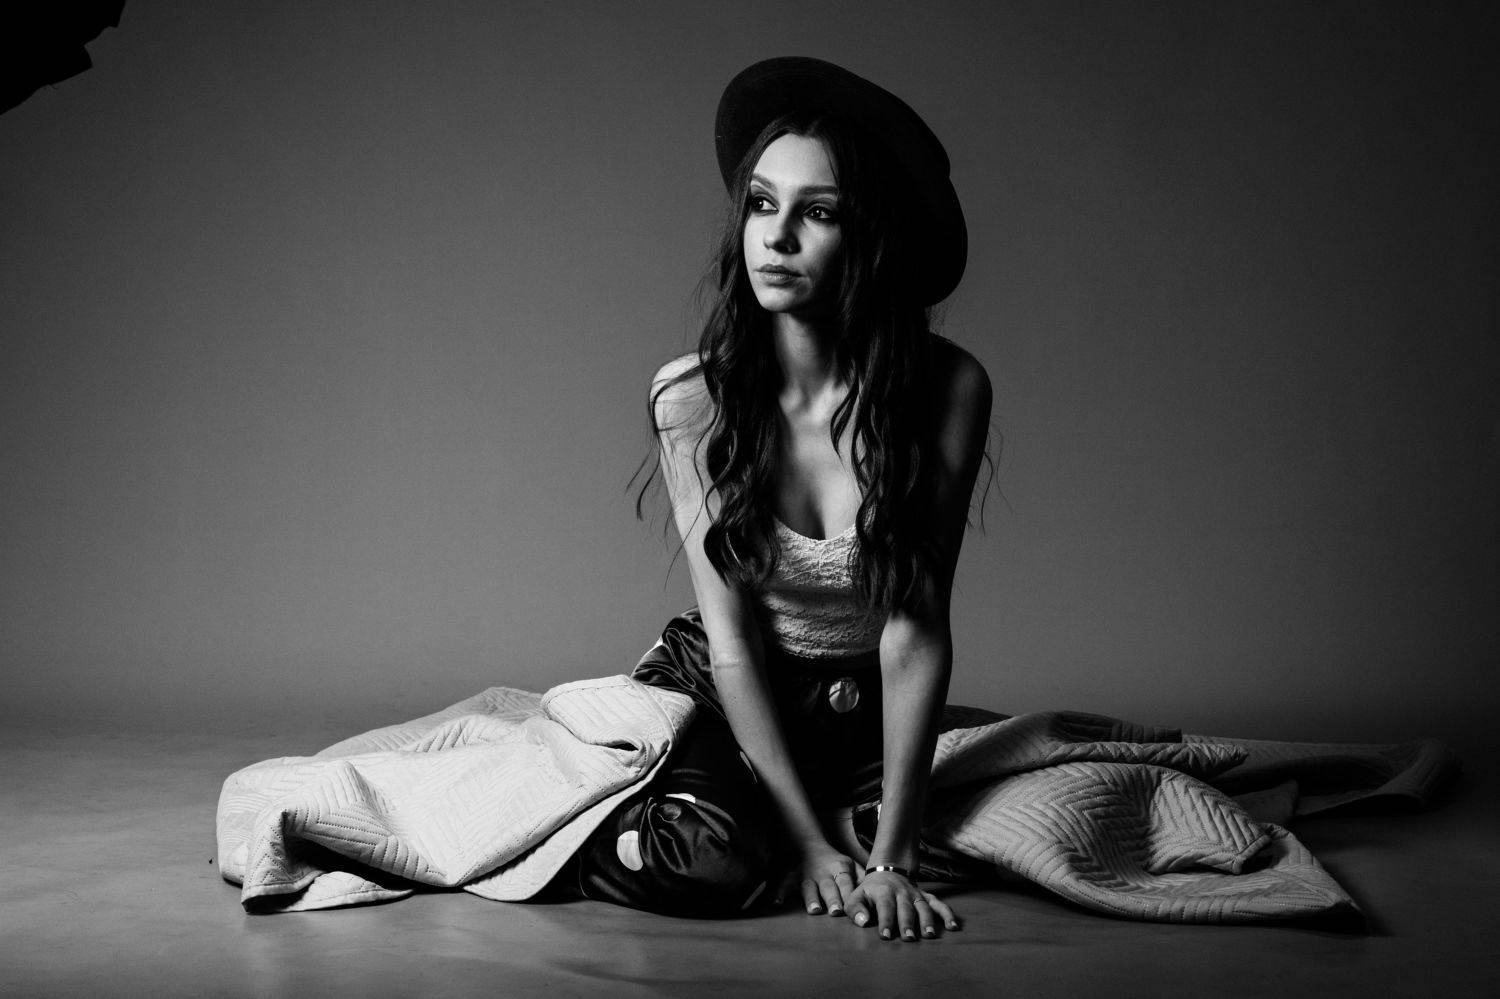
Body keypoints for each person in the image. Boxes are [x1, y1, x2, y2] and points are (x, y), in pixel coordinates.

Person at [559, 57, 992, 944]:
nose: (778, 236)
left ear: (870, 237)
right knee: (715, 860)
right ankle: (587, 827)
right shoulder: (692, 400)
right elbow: (732, 643)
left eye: (818, 212)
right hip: (730, 686)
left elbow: (914, 632)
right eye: (762, 203)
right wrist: (807, 842)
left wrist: (892, 859)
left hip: (856, 705)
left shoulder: (949, 390)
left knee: (969, 844)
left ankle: (823, 819)